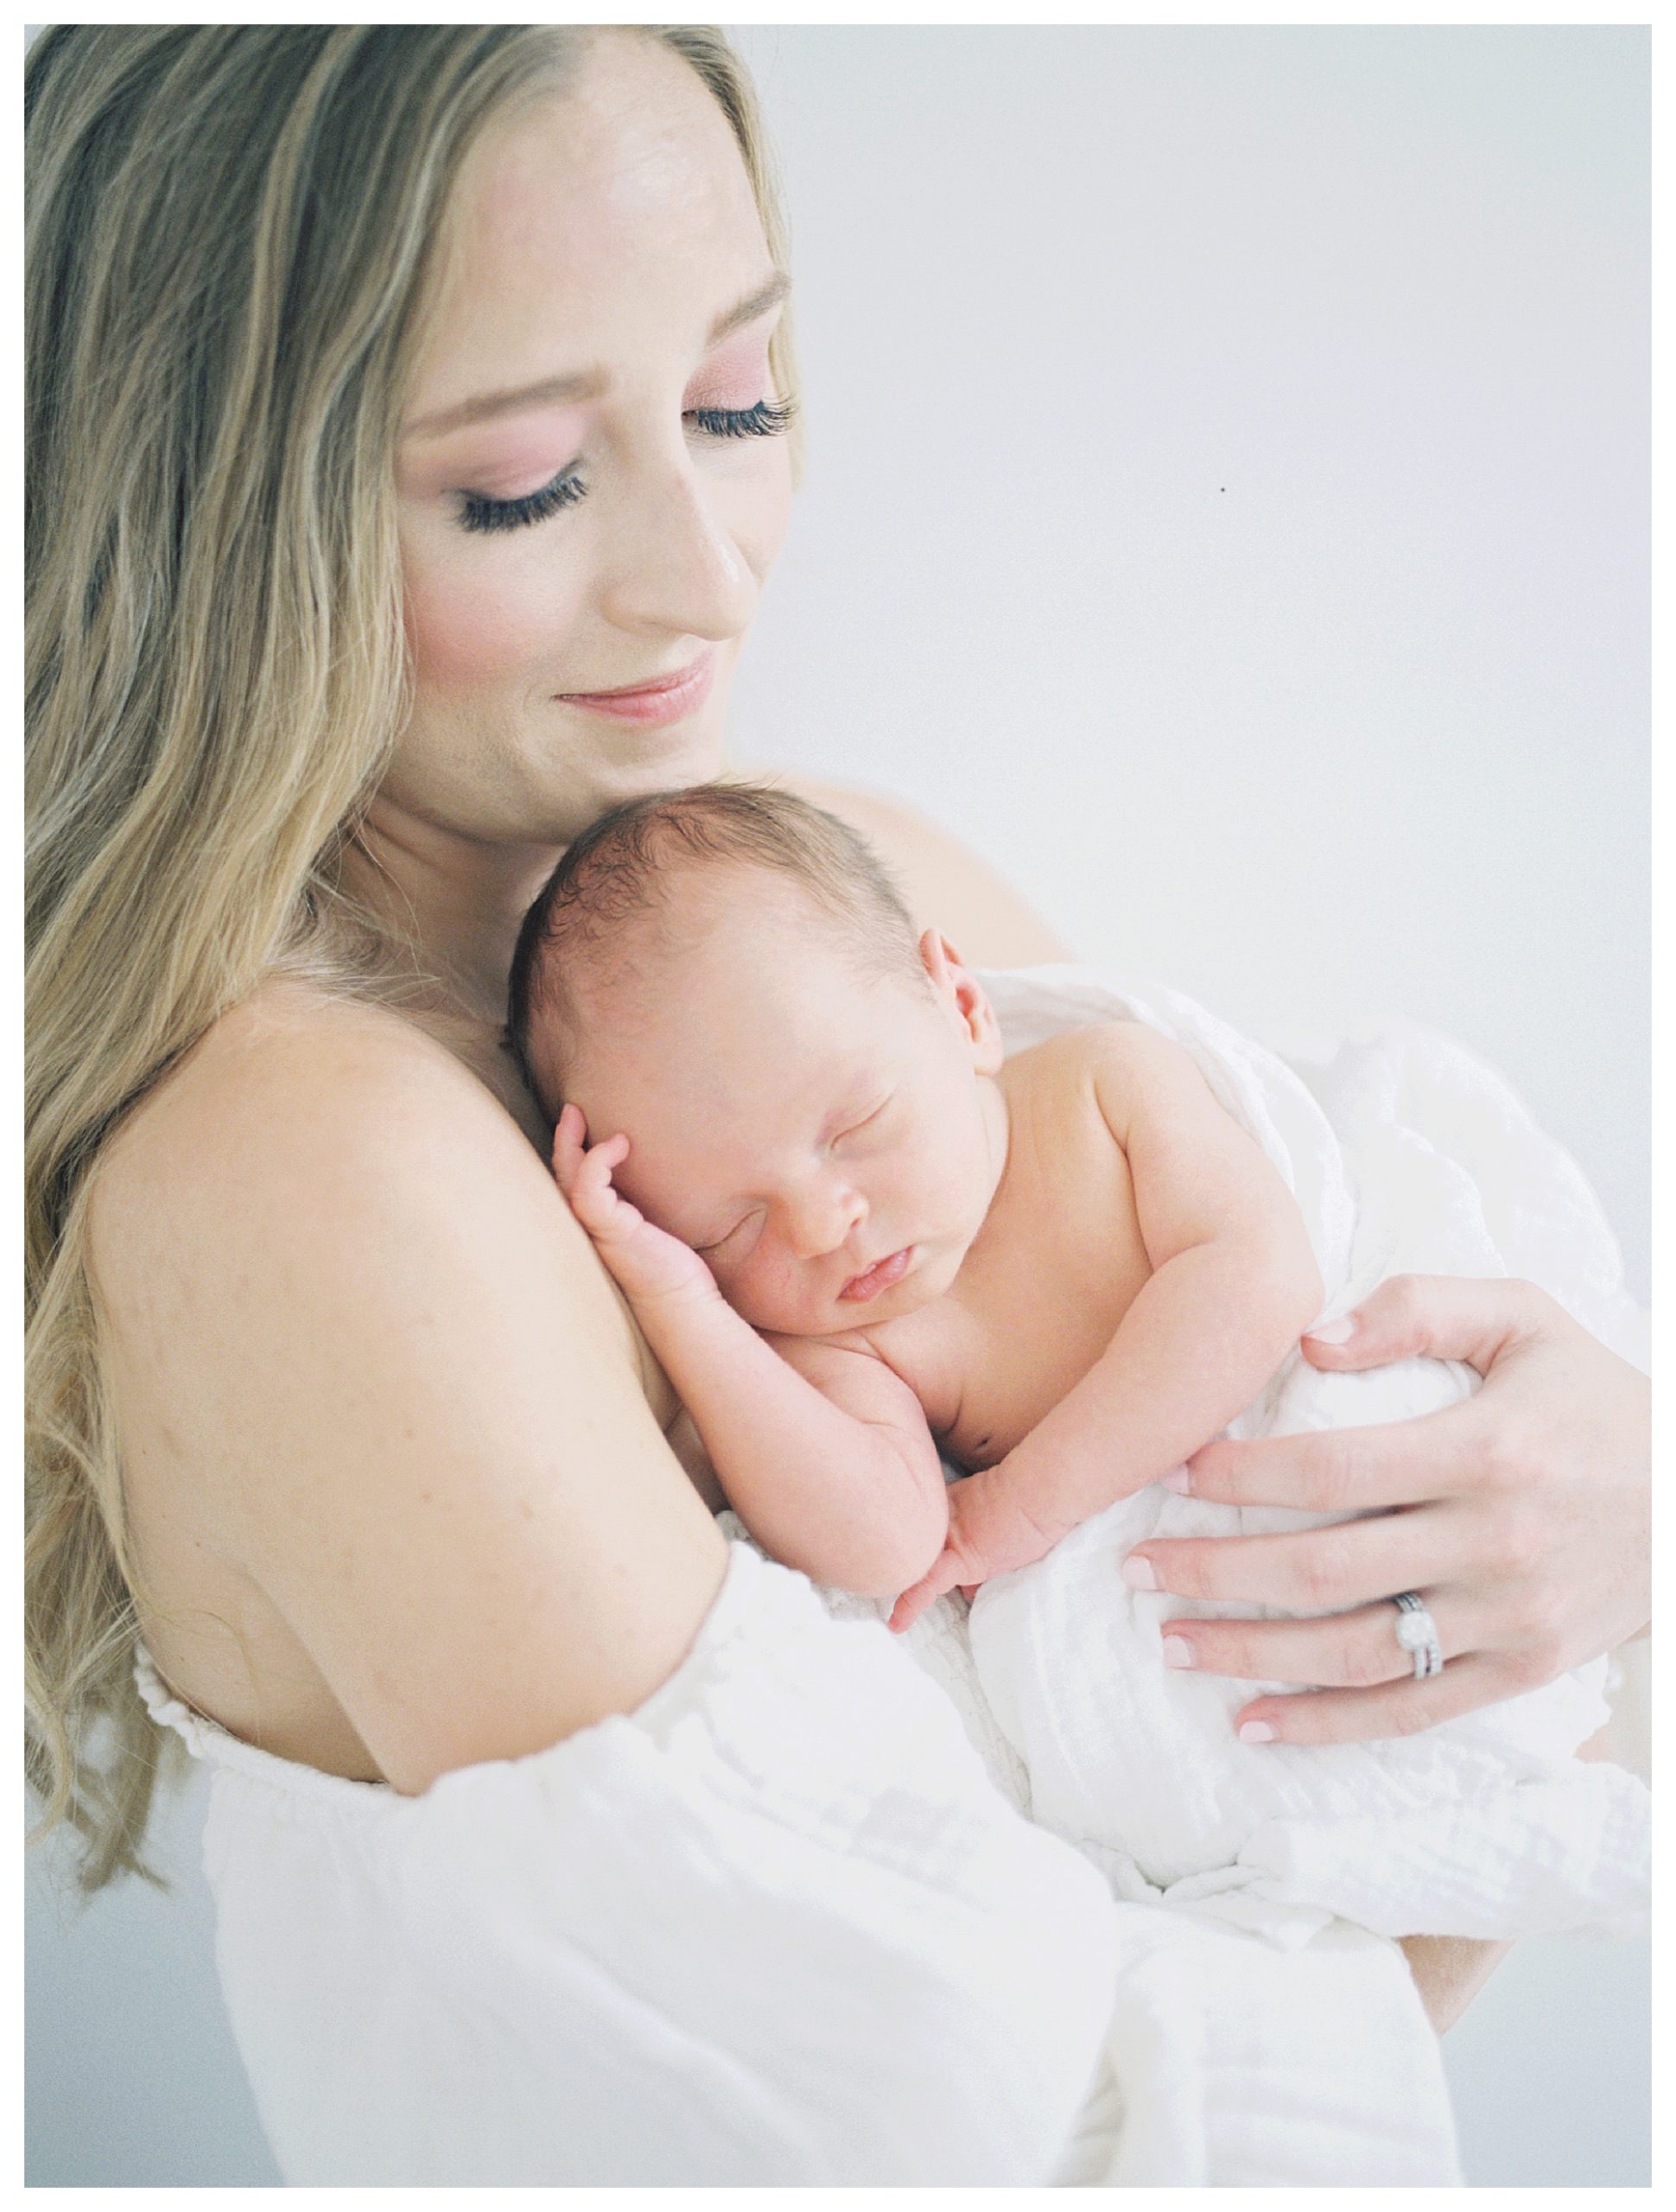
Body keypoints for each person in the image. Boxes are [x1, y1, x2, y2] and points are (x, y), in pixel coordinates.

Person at [25, 22, 1650, 2185]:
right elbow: (1072, 2145)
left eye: (738, 402)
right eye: (521, 480)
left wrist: (1601, 1494)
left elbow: (1325, 1323)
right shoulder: (310, 1171)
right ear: (216, 512)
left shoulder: (867, 872)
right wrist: (1554, 1707)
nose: (706, 577)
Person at [511, 779, 1648, 1944]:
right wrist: (682, 1301)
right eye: (727, 1224)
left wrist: (1024, 1501)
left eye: (856, 1129)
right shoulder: (851, 1336)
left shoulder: (1102, 1090)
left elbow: (1258, 1278)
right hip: (1194, 1627)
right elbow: (883, 1537)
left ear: (960, 1008)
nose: (823, 1223)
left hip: (1341, 1450)